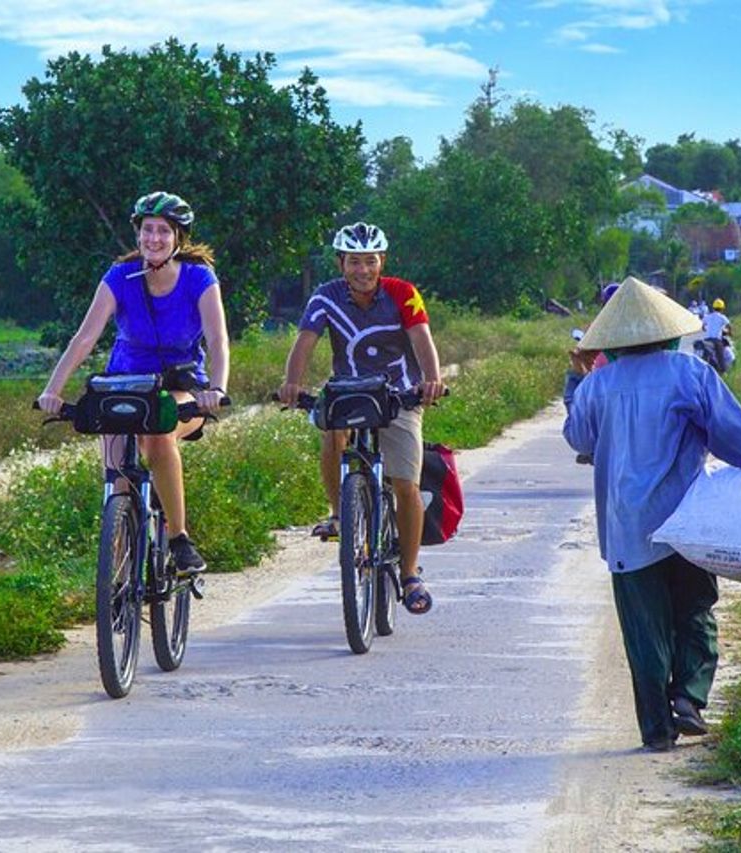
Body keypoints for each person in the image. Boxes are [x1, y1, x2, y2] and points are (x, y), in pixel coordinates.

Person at [562, 276, 741, 752]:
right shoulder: (690, 373)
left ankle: (656, 730)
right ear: (669, 331)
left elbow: (579, 439)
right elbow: (730, 433)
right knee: (694, 609)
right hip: (690, 519)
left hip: (628, 525)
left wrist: (577, 379)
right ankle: (689, 697)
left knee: (644, 630)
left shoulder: (598, 385)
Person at [37, 191, 230, 574]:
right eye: (146, 230)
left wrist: (217, 390)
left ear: (178, 238)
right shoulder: (119, 277)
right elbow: (85, 338)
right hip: (124, 382)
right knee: (117, 479)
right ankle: (120, 576)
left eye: (162, 231)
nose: (153, 239)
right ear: (137, 234)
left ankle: (178, 539)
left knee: (158, 436)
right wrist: (52, 391)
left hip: (181, 384)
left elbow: (217, 337)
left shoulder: (198, 279)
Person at [278, 221, 446, 614]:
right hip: (350, 392)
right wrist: (291, 383)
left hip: (400, 395)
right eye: (354, 262)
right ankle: (340, 513)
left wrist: (432, 381)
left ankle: (409, 574)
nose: (363, 270)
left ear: (381, 261)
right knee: (330, 430)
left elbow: (422, 339)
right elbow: (305, 342)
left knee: (406, 483)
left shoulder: (404, 294)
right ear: (341, 263)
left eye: (370, 261)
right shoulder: (325, 298)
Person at [702, 297, 732, 373]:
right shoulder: (722, 317)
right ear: (722, 309)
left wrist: (706, 329)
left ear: (713, 307)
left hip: (707, 339)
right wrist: (729, 333)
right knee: (720, 357)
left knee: (705, 355)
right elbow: (729, 326)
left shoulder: (708, 316)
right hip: (716, 340)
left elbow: (703, 327)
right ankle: (723, 371)